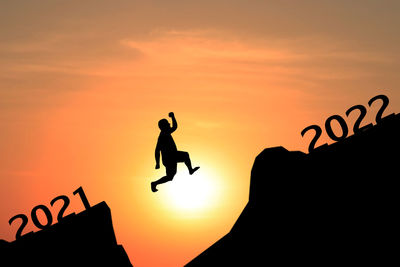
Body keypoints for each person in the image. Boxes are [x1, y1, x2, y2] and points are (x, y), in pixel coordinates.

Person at [151, 112, 200, 192]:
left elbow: (174, 127)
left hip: (170, 158)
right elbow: (157, 150)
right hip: (170, 157)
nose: (169, 124)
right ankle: (190, 170)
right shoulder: (163, 135)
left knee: (170, 177)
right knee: (185, 155)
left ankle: (154, 183)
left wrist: (173, 117)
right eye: (167, 123)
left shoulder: (165, 133)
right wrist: (157, 163)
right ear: (163, 126)